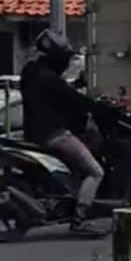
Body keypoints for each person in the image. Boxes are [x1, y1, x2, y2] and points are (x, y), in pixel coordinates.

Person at [19, 31, 113, 235]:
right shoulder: (48, 79)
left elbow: (63, 91)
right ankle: (80, 219)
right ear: (56, 57)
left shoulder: (31, 72)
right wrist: (102, 108)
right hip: (54, 135)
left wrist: (78, 86)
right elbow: (74, 99)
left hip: (34, 133)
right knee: (96, 172)